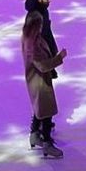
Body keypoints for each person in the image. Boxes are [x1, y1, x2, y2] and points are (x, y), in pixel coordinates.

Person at [21, 11, 66, 159]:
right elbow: (42, 65)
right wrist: (59, 58)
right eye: (40, 24)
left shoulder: (30, 38)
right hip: (39, 82)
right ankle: (47, 143)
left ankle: (34, 134)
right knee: (47, 113)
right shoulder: (32, 45)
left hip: (37, 80)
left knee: (39, 108)